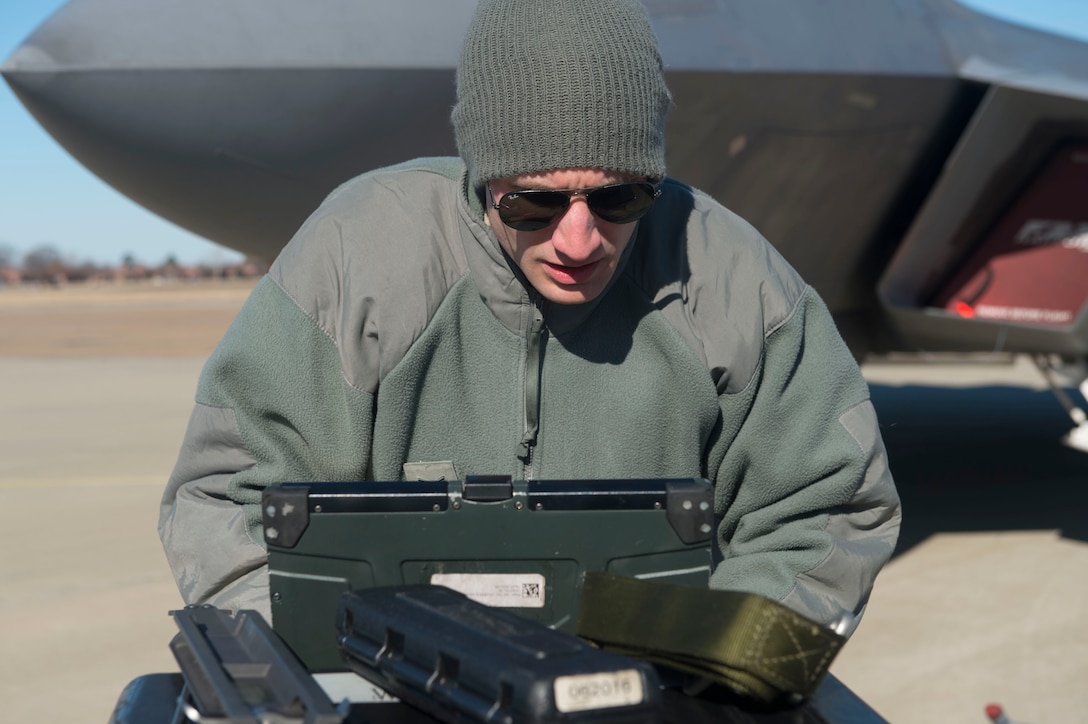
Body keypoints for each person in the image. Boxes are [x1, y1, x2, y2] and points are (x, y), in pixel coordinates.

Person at [160, 0, 900, 630]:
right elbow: (228, 498)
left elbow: (825, 512)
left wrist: (707, 670)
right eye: (534, 203)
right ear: (483, 181)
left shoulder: (733, 279)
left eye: (619, 199)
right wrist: (317, 662)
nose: (578, 240)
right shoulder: (359, 256)